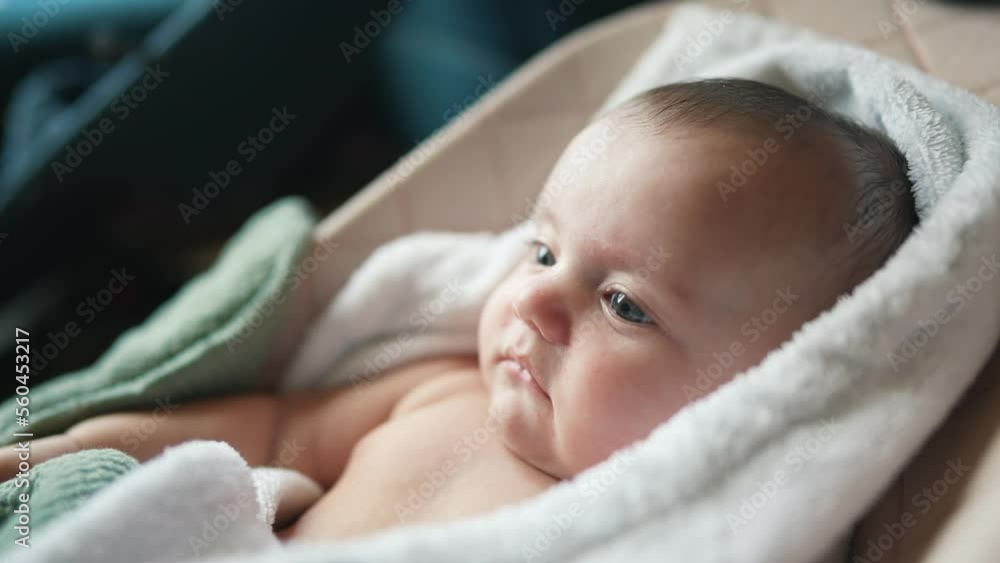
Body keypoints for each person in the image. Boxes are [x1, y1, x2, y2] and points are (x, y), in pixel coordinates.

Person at [0, 78, 918, 542]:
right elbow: (269, 424)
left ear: (769, 382)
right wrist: (63, 456)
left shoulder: (698, 523)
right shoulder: (438, 394)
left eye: (625, 306)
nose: (536, 302)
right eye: (545, 249)